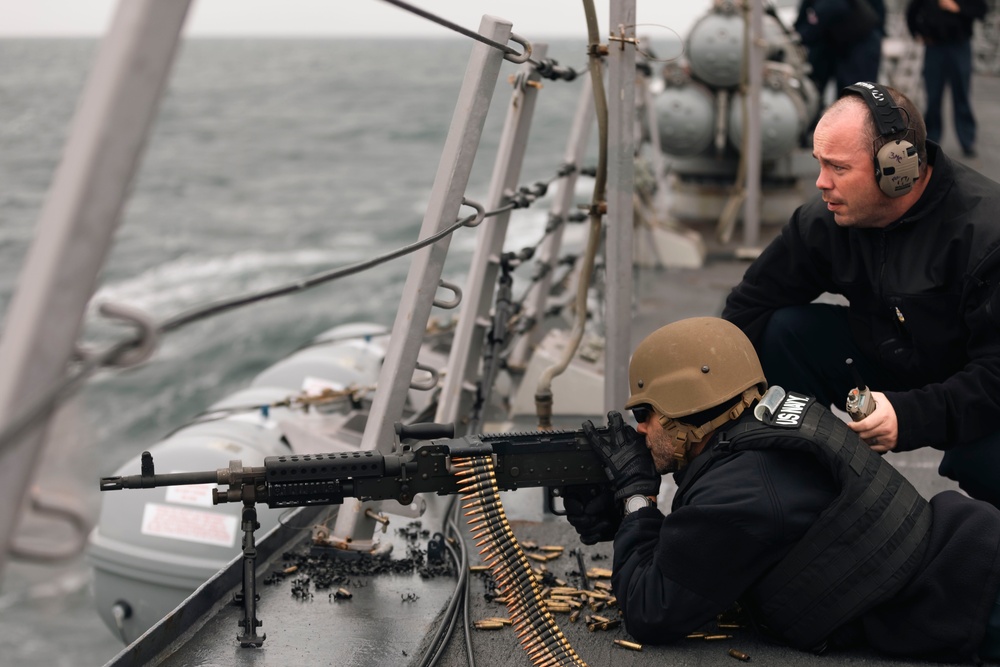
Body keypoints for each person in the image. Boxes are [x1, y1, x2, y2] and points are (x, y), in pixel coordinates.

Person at [565, 317, 1000, 661]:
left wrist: (636, 497)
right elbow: (714, 552)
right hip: (968, 552)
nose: (639, 428)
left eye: (645, 412)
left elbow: (649, 612)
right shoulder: (771, 424)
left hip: (973, 597)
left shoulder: (740, 492)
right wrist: (628, 519)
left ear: (683, 412)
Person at [720, 81, 1000, 509]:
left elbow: (995, 376)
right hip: (896, 354)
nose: (821, 183)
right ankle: (796, 495)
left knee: (982, 460)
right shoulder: (827, 220)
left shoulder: (986, 235)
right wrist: (698, 400)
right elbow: (750, 305)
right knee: (784, 331)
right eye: (819, 163)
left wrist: (908, 417)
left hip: (979, 386)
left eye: (838, 168)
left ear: (897, 167)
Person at [906, 0, 988, 158]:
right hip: (934, 47)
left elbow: (981, 10)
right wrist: (917, 33)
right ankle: (931, 141)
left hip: (960, 46)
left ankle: (967, 140)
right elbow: (912, 10)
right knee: (933, 96)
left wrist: (957, 8)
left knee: (962, 94)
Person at [795, 0, 886, 102]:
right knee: (813, 90)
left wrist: (802, 36)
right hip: (830, 40)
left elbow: (832, 8)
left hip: (859, 41)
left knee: (856, 97)